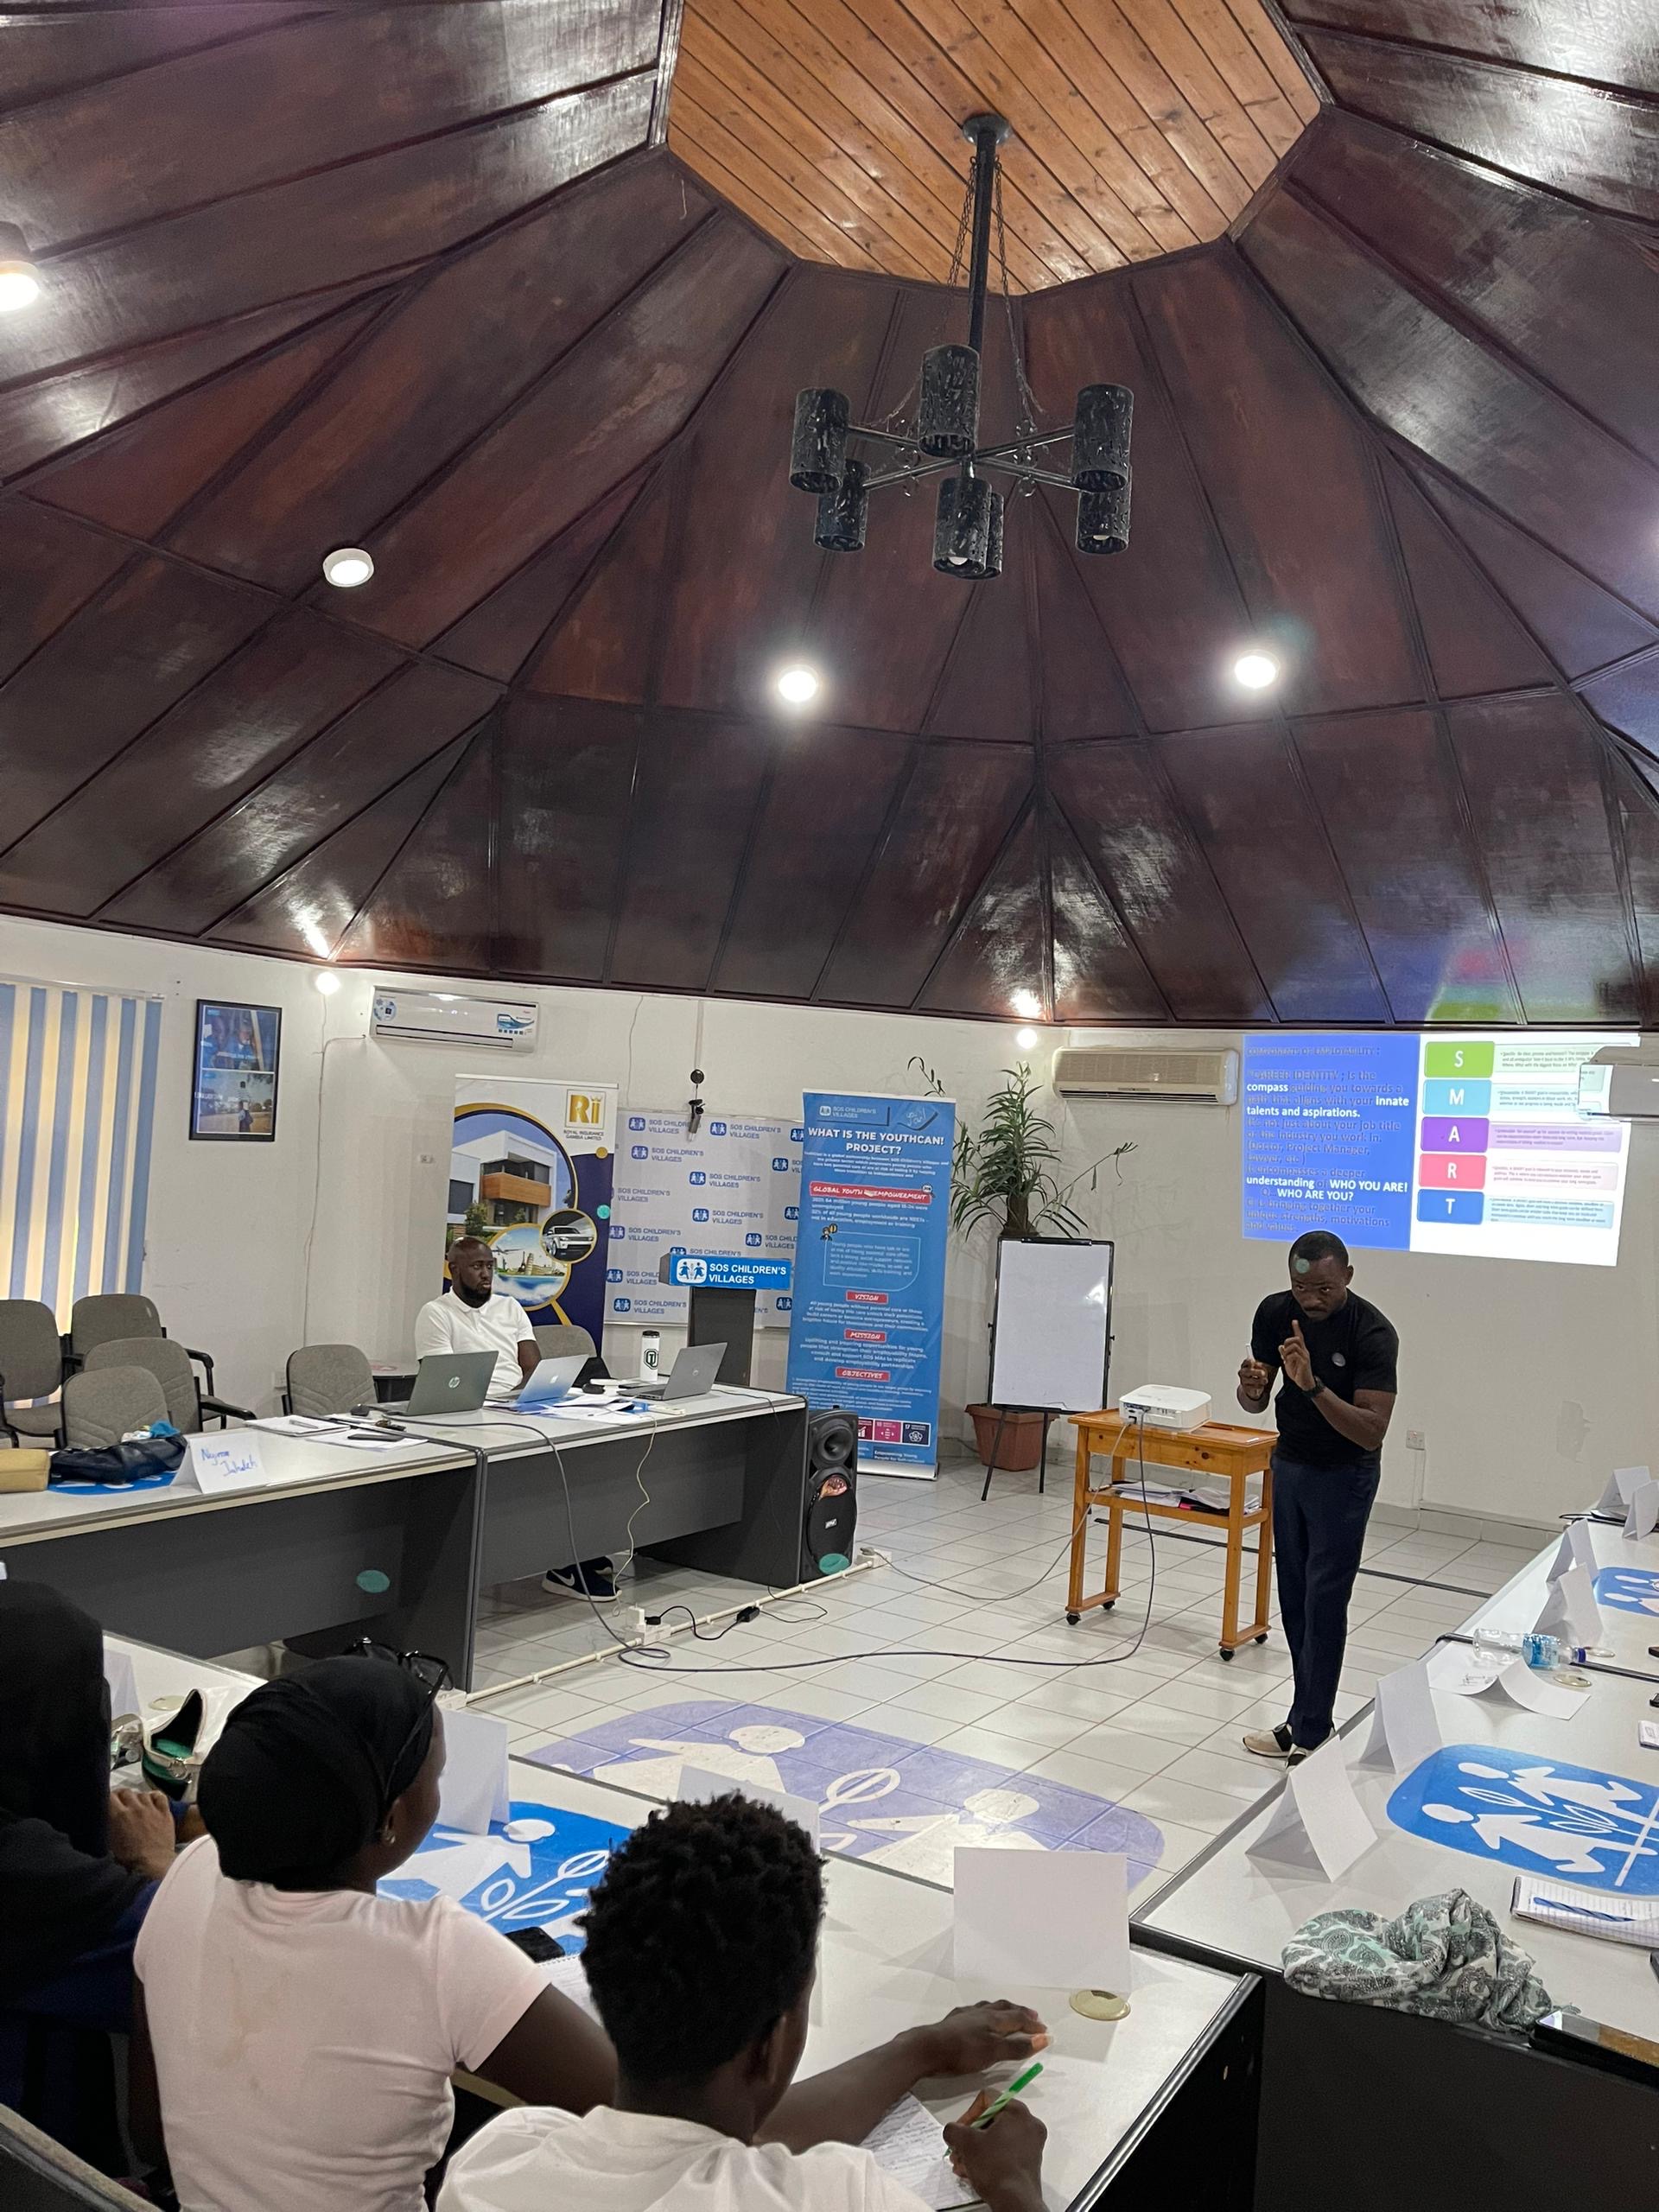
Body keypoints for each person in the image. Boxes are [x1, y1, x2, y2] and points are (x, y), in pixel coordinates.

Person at [130, 1651, 614, 2212]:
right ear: (390, 1819)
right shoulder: (436, 1953)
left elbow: (151, 2136)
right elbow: (631, 2109)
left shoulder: (189, 1872)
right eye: (435, 1777)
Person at [437, 1794, 1048, 2212]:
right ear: (773, 2043)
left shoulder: (494, 2163)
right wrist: (1017, 2189)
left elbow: (696, 2152)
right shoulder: (841, 2195)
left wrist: (918, 2050)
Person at [0, 1583, 182, 2163]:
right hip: (37, 2164)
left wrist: (179, 1815)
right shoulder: (42, 1885)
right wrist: (159, 1864)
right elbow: (187, 1955)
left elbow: (72, 1803)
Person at [1236, 1229, 1399, 1764]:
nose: (1310, 1299)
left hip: (1344, 1476)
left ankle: (1312, 1731)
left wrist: (1311, 1386)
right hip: (1290, 1465)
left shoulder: (1372, 1332)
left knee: (1324, 1601)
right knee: (1294, 1599)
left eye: (1324, 1288)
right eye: (1301, 1287)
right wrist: (1252, 1388)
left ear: (1347, 1276)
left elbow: (1371, 1431)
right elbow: (1255, 1402)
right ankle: (1304, 1720)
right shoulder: (1274, 1312)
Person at [417, 1235, 613, 1599]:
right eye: (477, 1267)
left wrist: (522, 1398)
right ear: (454, 1269)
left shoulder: (510, 1308)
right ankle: (558, 1559)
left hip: (515, 1405)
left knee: (582, 1454)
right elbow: (445, 1381)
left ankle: (575, 1552)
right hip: (471, 1414)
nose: (486, 1274)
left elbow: (532, 1367)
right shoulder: (436, 1313)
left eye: (490, 1266)